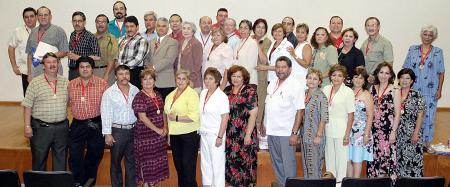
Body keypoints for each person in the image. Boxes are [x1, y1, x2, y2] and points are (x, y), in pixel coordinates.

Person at [22, 52, 69, 171]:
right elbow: (27, 106)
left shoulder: (66, 82)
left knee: (60, 161)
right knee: (39, 161)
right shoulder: (35, 83)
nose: (52, 65)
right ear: (43, 65)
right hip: (41, 128)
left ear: (58, 64)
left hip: (61, 128)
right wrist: (27, 126)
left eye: (54, 62)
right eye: (49, 62)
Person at [264, 56, 304, 186]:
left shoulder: (296, 85)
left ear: (290, 69)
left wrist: (294, 132)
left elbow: (300, 110)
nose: (280, 70)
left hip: (287, 132)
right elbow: (268, 104)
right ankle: (282, 184)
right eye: (278, 67)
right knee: (276, 162)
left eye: (283, 67)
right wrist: (264, 123)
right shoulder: (273, 82)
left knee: (288, 164)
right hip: (272, 129)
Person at [402, 25, 444, 147]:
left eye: (430, 35)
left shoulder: (438, 52)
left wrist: (439, 90)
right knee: (412, 116)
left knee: (429, 117)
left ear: (434, 37)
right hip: (413, 90)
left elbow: (441, 72)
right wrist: (404, 88)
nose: (427, 37)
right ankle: (412, 141)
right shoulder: (413, 49)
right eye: (425, 34)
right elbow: (406, 69)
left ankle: (426, 143)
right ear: (421, 35)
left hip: (430, 91)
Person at [68, 56, 108, 186]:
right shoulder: (71, 84)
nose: (85, 69)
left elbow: (108, 107)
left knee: (95, 155)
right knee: (74, 156)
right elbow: (66, 103)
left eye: (87, 67)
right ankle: (77, 182)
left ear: (92, 68)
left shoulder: (102, 84)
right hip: (77, 124)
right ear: (78, 69)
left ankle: (89, 183)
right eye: (82, 67)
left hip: (96, 123)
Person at [101, 65, 139, 187]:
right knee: (116, 163)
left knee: (131, 163)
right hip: (117, 131)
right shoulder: (109, 93)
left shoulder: (135, 90)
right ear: (116, 76)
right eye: (121, 74)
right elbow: (106, 113)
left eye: (126, 73)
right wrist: (107, 134)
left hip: (133, 130)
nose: (124, 76)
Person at [132, 69, 169, 186]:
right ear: (141, 82)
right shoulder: (139, 96)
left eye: (150, 78)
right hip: (145, 138)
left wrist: (165, 128)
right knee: (146, 166)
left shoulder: (158, 94)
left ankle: (151, 185)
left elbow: (163, 112)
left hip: (158, 138)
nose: (148, 81)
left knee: (155, 166)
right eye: (145, 79)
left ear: (154, 81)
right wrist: (158, 130)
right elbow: (142, 117)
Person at [164, 69, 200, 187]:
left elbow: (194, 116)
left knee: (188, 168)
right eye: (178, 78)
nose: (180, 81)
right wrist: (169, 134)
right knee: (179, 167)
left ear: (188, 81)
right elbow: (167, 115)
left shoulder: (192, 94)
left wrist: (177, 118)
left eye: (183, 79)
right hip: (175, 135)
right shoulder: (170, 95)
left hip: (189, 135)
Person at [223, 65, 258, 186]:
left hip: (244, 133)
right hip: (230, 134)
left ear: (244, 78)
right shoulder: (227, 90)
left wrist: (248, 135)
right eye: (233, 76)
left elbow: (253, 115)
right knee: (230, 162)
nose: (236, 79)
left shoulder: (249, 91)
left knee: (244, 164)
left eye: (239, 76)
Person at [367, 62, 401, 179]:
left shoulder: (395, 90)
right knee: (374, 160)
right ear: (377, 73)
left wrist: (393, 132)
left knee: (387, 161)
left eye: (387, 73)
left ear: (390, 75)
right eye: (381, 72)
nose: (383, 75)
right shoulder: (372, 89)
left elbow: (397, 114)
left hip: (388, 132)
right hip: (374, 132)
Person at [322, 64, 355, 183]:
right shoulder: (326, 89)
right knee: (329, 159)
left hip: (341, 130)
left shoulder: (348, 92)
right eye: (334, 75)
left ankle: (340, 183)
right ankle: (330, 182)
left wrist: (347, 134)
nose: (336, 78)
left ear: (344, 78)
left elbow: (351, 115)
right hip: (327, 129)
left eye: (339, 76)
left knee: (341, 161)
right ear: (330, 76)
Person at [199, 67, 230, 187]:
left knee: (217, 164)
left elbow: (225, 118)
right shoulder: (203, 93)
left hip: (216, 135)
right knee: (205, 164)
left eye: (210, 79)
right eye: (206, 78)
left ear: (217, 81)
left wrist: (220, 136)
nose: (207, 81)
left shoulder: (222, 96)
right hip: (204, 133)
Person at [396, 68, 425, 177]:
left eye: (408, 78)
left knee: (412, 161)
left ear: (412, 81)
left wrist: (416, 133)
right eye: (402, 77)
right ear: (399, 79)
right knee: (399, 161)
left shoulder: (417, 95)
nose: (404, 80)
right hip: (398, 133)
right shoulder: (395, 93)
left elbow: (420, 115)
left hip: (412, 133)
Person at [25, 6, 68, 81]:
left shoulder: (59, 31)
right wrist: (29, 73)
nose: (43, 17)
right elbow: (29, 55)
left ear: (50, 17)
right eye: (40, 15)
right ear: (37, 17)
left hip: (53, 73)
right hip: (36, 73)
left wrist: (47, 57)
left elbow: (64, 51)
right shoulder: (33, 32)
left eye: (46, 15)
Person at [301, 68, 328, 179]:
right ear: (306, 79)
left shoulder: (321, 96)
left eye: (315, 79)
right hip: (304, 134)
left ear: (320, 82)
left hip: (315, 135)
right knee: (306, 165)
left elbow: (324, 118)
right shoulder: (304, 94)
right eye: (310, 78)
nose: (312, 81)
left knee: (314, 166)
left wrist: (318, 135)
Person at [347, 67, 374, 178]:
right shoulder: (346, 92)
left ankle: (355, 183)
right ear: (351, 79)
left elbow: (370, 115)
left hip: (360, 132)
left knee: (357, 160)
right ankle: (348, 183)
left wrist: (366, 134)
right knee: (347, 159)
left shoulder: (366, 94)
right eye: (356, 77)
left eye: (361, 78)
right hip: (347, 131)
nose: (358, 80)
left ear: (364, 80)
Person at [147, 17, 179, 100]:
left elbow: (169, 60)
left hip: (165, 82)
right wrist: (147, 69)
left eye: (163, 26)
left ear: (168, 28)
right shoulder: (151, 42)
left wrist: (153, 68)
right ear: (156, 27)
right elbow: (147, 58)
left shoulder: (173, 42)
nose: (160, 28)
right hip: (151, 81)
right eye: (158, 26)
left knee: (165, 109)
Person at [8, 7, 36, 96]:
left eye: (31, 16)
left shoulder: (42, 29)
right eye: (26, 17)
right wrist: (14, 66)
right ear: (23, 18)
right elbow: (11, 48)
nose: (29, 19)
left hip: (41, 69)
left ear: (36, 17)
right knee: (28, 97)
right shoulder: (18, 31)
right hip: (26, 70)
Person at [253, 18, 271, 149]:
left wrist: (257, 45)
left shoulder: (267, 42)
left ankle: (258, 138)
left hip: (261, 80)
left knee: (259, 108)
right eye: (258, 27)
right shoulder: (247, 40)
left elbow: (265, 61)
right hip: (249, 80)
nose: (260, 29)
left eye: (262, 27)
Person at [117, 16, 148, 89]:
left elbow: (137, 59)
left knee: (133, 97)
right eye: (127, 27)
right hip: (120, 73)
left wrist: (120, 66)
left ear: (137, 27)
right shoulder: (121, 39)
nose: (129, 29)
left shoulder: (142, 40)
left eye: (132, 26)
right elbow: (116, 54)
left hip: (134, 73)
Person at [68, 11, 101, 80]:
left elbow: (98, 57)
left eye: (80, 21)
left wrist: (79, 58)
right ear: (72, 22)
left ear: (84, 22)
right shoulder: (72, 34)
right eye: (74, 21)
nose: (77, 23)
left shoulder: (90, 36)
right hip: (72, 70)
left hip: (84, 71)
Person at [360, 17, 394, 85]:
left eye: (373, 25)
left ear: (378, 27)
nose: (370, 28)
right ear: (365, 28)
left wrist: (375, 77)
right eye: (368, 25)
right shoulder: (364, 43)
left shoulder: (385, 43)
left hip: (379, 82)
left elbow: (389, 65)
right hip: (365, 82)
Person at [177, 22, 203, 93]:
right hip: (182, 80)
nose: (185, 31)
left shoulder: (196, 43)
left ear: (193, 31)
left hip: (192, 81)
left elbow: (197, 64)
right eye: (184, 28)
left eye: (188, 29)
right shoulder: (181, 42)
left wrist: (191, 79)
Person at [94, 14, 119, 85]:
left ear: (107, 24)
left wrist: (106, 74)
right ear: (95, 24)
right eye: (98, 22)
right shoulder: (91, 37)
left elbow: (113, 58)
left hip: (107, 71)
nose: (100, 24)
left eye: (103, 22)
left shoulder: (112, 38)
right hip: (91, 72)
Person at [233, 20, 259, 85]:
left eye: (245, 28)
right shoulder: (238, 42)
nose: (242, 30)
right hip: (237, 80)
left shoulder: (252, 43)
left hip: (248, 80)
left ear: (250, 30)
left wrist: (241, 78)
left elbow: (251, 65)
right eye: (241, 28)